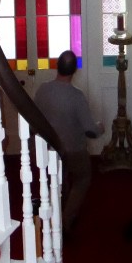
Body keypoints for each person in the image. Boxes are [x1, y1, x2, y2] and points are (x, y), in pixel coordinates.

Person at [34, 50, 104, 234]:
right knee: (83, 178)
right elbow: (90, 130)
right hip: (72, 150)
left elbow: (35, 120)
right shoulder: (77, 96)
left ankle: (54, 208)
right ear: (74, 71)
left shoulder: (43, 90)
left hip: (49, 148)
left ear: (57, 66)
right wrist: (100, 127)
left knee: (55, 177)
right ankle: (65, 219)